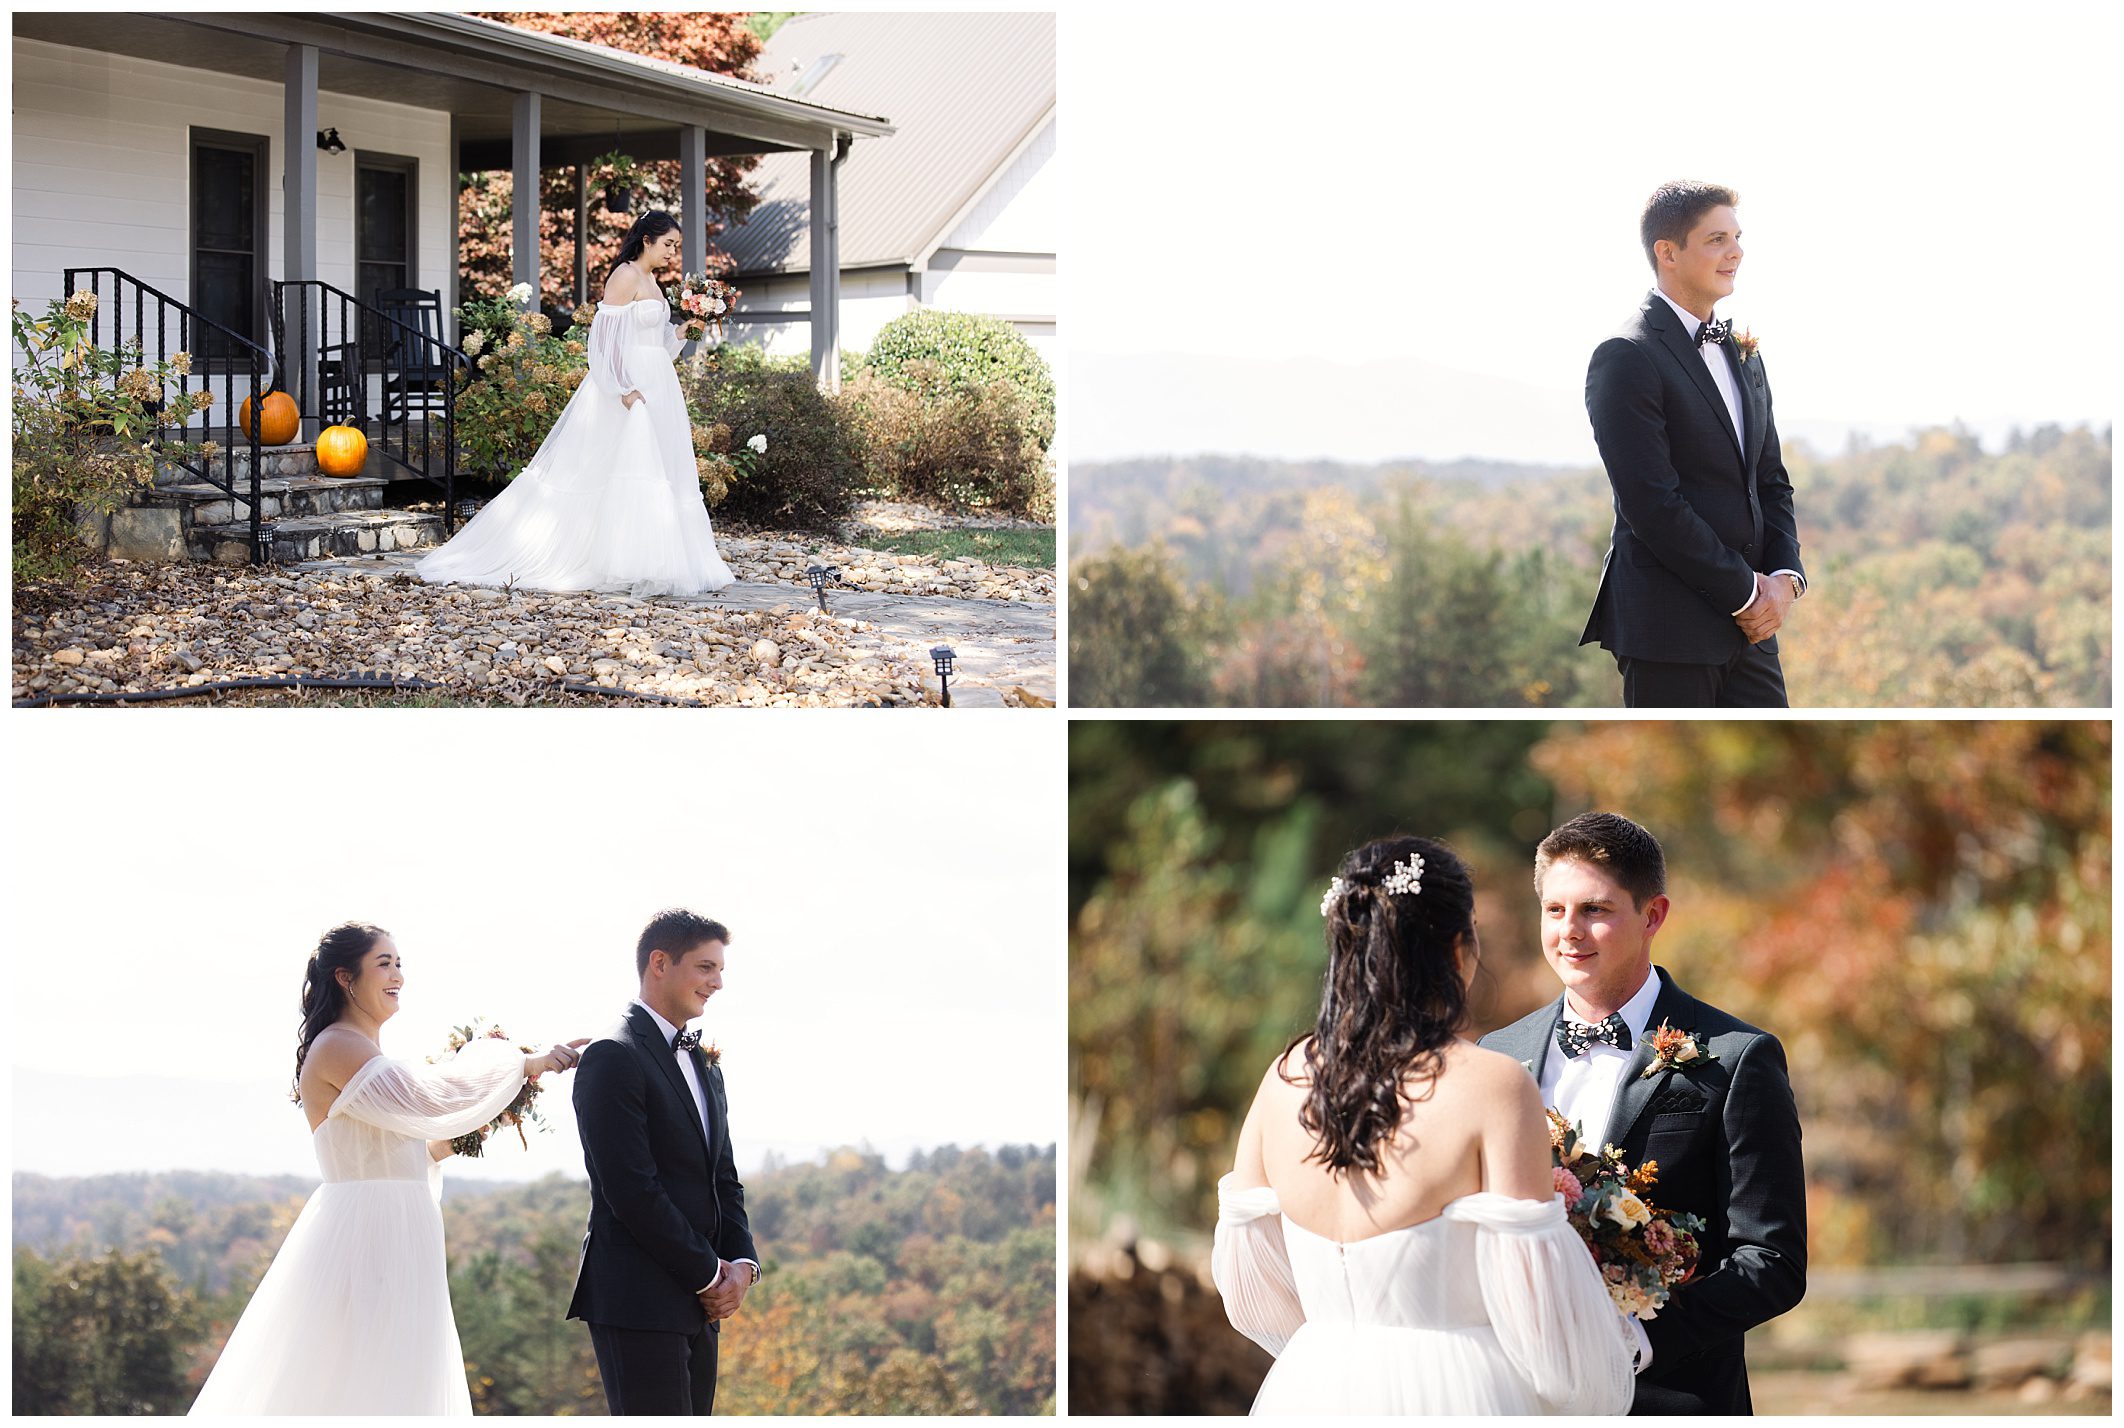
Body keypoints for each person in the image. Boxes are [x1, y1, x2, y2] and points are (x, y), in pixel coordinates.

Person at [1213, 836, 1638, 1414]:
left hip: (1314, 1387)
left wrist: (1337, 1342)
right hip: (1464, 1392)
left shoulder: (1282, 1080)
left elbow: (1249, 1291)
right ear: (1459, 948)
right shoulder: (1493, 1084)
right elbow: (1542, 1319)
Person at [188, 922, 588, 1415]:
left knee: (400, 1378)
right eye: (384, 963)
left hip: (402, 1223)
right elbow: (430, 1099)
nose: (397, 974)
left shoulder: (368, 1052)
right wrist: (521, 1064)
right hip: (367, 1231)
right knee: (361, 1378)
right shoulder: (338, 1045)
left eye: (399, 963)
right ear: (345, 977)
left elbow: (411, 1151)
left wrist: (478, 1123)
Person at [1480, 812, 1807, 1412]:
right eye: (1554, 910)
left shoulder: (1737, 1058)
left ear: (1652, 915)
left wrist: (1636, 1340)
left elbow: (1773, 1260)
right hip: (1513, 1393)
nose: (1569, 932)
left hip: (1671, 1396)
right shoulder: (1496, 1055)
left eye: (1594, 910)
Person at [416, 210, 737, 596]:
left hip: (659, 385)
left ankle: (656, 561)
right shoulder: (624, 276)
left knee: (661, 469)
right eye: (668, 244)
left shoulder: (653, 281)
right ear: (647, 240)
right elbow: (604, 341)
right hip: (627, 387)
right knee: (616, 470)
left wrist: (686, 328)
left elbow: (660, 346)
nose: (672, 252)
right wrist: (623, 388)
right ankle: (613, 561)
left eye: (676, 246)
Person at [1581, 181, 1809, 707]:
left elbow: (1770, 479)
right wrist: (1747, 593)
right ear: (1668, 253)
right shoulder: (1626, 355)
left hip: (1753, 633)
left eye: (1736, 237)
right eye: (1715, 240)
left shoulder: (1742, 351)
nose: (1735, 252)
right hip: (1669, 631)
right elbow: (1651, 504)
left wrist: (1783, 578)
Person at [568, 909, 758, 1416]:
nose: (717, 983)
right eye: (704, 968)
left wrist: (742, 1265)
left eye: (720, 970)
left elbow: (724, 1176)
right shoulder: (612, 1054)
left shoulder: (701, 1059)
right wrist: (708, 1274)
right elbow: (630, 1190)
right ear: (659, 963)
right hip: (638, 1299)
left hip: (701, 1303)